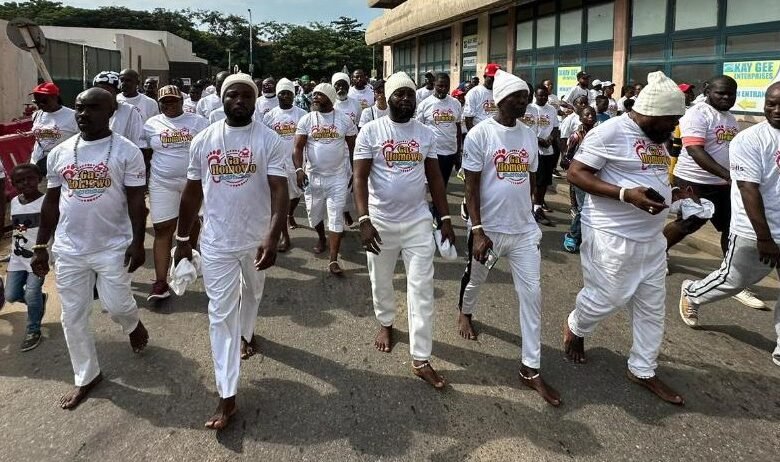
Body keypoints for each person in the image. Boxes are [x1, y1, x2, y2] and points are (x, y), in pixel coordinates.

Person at [563, 71, 688, 405]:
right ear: (650, 112)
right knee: (608, 297)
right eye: (670, 119)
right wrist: (624, 194)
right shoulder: (610, 131)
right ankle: (576, 325)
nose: (673, 126)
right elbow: (575, 174)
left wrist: (675, 194)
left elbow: (650, 177)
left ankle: (643, 369)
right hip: (611, 237)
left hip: (651, 240)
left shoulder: (657, 137)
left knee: (651, 307)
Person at [173, 73, 288, 429]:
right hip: (217, 241)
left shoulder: (269, 140)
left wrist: (272, 235)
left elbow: (280, 190)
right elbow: (192, 192)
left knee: (252, 293)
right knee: (220, 314)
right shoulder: (204, 140)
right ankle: (227, 395)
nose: (239, 101)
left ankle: (247, 333)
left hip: (255, 239)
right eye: (232, 95)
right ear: (222, 100)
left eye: (246, 96)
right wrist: (182, 240)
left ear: (255, 101)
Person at [31, 87, 149, 410]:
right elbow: (51, 204)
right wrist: (42, 245)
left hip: (113, 245)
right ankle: (87, 375)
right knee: (73, 315)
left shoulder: (127, 152)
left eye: (93, 108)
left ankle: (132, 323)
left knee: (116, 306)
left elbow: (138, 201)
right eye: (80, 108)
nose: (83, 114)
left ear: (111, 112)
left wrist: (139, 242)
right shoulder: (60, 152)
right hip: (69, 248)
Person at [457, 69, 560, 406]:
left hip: (523, 232)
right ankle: (465, 313)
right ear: (500, 99)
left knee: (533, 295)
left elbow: (529, 178)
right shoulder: (479, 135)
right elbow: (471, 188)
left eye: (526, 97)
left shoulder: (529, 135)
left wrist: (529, 211)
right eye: (518, 97)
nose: (524, 102)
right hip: (489, 231)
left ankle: (530, 367)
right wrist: (477, 230)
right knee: (475, 281)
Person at [353, 71, 456, 389]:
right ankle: (386, 322)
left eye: (410, 95)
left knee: (422, 289)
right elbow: (359, 178)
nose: (405, 100)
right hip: (381, 224)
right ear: (388, 97)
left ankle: (421, 357)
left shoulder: (426, 134)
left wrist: (446, 218)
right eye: (399, 94)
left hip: (417, 223)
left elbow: (436, 178)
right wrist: (364, 219)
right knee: (380, 280)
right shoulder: (371, 130)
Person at [679, 83, 780, 367]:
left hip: (752, 213)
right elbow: (748, 187)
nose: (776, 110)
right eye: (771, 103)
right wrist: (765, 238)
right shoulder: (750, 139)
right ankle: (692, 292)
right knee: (733, 279)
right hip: (755, 228)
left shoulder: (730, 120)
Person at [665, 76, 762, 307]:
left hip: (723, 184)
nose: (726, 98)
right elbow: (696, 151)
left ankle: (733, 278)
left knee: (731, 227)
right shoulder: (697, 114)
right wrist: (727, 174)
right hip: (694, 182)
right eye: (721, 93)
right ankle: (658, 252)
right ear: (708, 91)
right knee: (690, 223)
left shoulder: (730, 118)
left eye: (731, 94)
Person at [141, 85, 208, 300]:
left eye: (173, 101)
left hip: (193, 183)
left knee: (191, 223)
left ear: (182, 101)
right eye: (164, 102)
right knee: (162, 228)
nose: (169, 105)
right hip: (162, 183)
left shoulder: (197, 122)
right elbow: (146, 153)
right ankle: (160, 282)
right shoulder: (151, 124)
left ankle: (186, 260)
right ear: (159, 103)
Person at [292, 83, 357, 275]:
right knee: (314, 214)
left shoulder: (344, 120)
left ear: (330, 98)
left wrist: (354, 173)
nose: (315, 98)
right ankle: (321, 237)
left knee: (336, 217)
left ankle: (333, 259)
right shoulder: (307, 119)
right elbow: (297, 148)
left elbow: (354, 149)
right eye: (314, 95)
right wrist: (298, 169)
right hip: (312, 177)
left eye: (320, 95)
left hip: (337, 177)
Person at [4, 164, 47, 351]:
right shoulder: (14, 202)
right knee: (11, 295)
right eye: (19, 181)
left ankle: (33, 330)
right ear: (13, 184)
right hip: (17, 257)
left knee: (31, 292)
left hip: (38, 257)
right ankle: (39, 300)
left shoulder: (47, 201)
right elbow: (17, 229)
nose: (25, 183)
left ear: (39, 178)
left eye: (29, 178)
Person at [262, 78, 307, 252]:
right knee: (278, 199)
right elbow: (264, 141)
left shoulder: (302, 114)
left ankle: (289, 213)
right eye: (282, 93)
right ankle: (284, 236)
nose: (285, 96)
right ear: (278, 95)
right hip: (276, 163)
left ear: (293, 95)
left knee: (296, 195)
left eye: (289, 93)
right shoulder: (269, 116)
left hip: (297, 163)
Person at [416, 73, 463, 189]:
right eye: (440, 86)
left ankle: (436, 206)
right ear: (434, 84)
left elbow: (458, 128)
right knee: (433, 182)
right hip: (433, 152)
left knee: (444, 182)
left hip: (450, 150)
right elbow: (418, 130)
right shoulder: (424, 105)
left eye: (446, 86)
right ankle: (435, 205)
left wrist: (458, 151)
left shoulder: (455, 103)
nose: (443, 89)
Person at [560, 106, 597, 253]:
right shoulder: (576, 136)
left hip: (594, 176)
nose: (590, 117)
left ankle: (584, 237)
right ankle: (572, 235)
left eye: (592, 115)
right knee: (583, 208)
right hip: (580, 176)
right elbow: (567, 157)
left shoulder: (598, 133)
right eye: (587, 115)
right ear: (581, 118)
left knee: (590, 209)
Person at [29, 82, 78, 176]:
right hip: (38, 164)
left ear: (55, 98)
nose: (39, 106)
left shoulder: (73, 116)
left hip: (61, 164)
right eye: (36, 102)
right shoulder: (37, 115)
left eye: (43, 101)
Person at [529, 86, 560, 226]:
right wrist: (539, 140)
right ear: (535, 95)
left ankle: (538, 206)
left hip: (548, 150)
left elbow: (555, 128)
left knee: (545, 181)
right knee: (537, 180)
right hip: (534, 150)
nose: (543, 98)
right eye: (540, 96)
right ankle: (535, 208)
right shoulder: (530, 110)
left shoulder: (551, 110)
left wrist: (550, 140)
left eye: (545, 96)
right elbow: (526, 130)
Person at [92, 71, 144, 148]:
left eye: (107, 90)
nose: (102, 94)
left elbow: (136, 142)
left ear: (116, 91)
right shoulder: (90, 111)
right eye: (98, 90)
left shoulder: (130, 112)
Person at [463, 64, 500, 130]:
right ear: (485, 76)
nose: (494, 80)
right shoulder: (474, 92)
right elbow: (468, 119)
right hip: (480, 132)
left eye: (497, 78)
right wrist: (474, 137)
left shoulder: (500, 92)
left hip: (496, 132)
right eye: (492, 78)